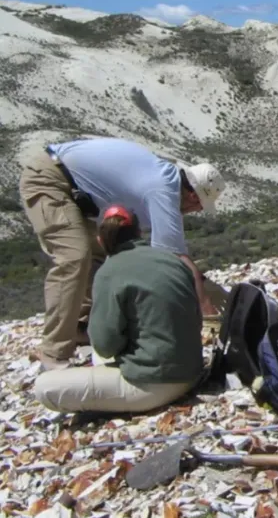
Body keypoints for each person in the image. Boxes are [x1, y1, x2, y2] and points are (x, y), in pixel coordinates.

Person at [18, 137, 225, 371]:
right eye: (199, 207)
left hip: (76, 192)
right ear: (193, 197)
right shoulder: (164, 189)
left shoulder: (165, 179)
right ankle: (53, 353)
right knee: (74, 257)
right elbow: (174, 257)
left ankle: (81, 328)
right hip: (50, 180)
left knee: (99, 257)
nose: (196, 212)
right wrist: (208, 309)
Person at [33, 205, 206, 414]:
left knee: (45, 387)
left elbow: (105, 345)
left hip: (153, 386)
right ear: (139, 233)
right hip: (194, 371)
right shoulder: (173, 260)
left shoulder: (109, 272)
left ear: (101, 241)